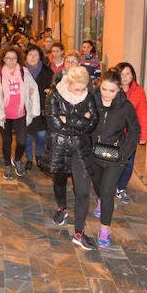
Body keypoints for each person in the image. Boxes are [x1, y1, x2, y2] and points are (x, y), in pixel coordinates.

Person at [43, 66, 98, 250]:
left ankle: (79, 233)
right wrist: (81, 119)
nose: (81, 91)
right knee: (59, 182)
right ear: (68, 82)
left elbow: (93, 123)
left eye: (84, 88)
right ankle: (62, 207)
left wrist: (70, 120)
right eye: (77, 88)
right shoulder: (55, 95)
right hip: (59, 146)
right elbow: (54, 123)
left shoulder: (88, 96)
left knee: (83, 191)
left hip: (81, 149)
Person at [91, 69, 140, 248]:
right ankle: (100, 200)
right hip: (94, 153)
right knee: (98, 186)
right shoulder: (92, 100)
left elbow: (135, 130)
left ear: (119, 89)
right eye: (104, 89)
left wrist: (124, 154)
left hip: (115, 155)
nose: (107, 94)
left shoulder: (125, 106)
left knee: (107, 191)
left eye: (112, 91)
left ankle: (105, 229)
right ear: (99, 85)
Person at [0, 46, 40, 180]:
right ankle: (7, 165)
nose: (11, 61)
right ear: (3, 59)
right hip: (4, 115)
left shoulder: (24, 72)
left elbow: (34, 88)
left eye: (14, 58)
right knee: (6, 142)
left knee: (22, 142)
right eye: (8, 58)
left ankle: (17, 159)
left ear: (18, 59)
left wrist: (34, 107)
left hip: (21, 113)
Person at [114, 62, 147, 204]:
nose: (125, 77)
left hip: (130, 135)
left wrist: (144, 136)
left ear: (133, 75)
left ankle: (121, 188)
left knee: (128, 163)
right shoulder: (112, 89)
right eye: (122, 74)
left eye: (128, 73)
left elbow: (143, 114)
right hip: (114, 133)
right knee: (113, 161)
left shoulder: (138, 92)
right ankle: (109, 185)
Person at [24, 45, 53, 172]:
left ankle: (39, 156)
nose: (33, 57)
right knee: (27, 137)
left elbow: (53, 88)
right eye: (30, 54)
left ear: (40, 57)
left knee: (41, 136)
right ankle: (29, 159)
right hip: (25, 109)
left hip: (41, 110)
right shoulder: (21, 71)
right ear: (26, 56)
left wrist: (50, 91)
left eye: (36, 55)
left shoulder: (47, 71)